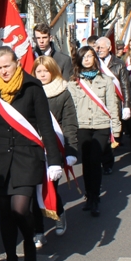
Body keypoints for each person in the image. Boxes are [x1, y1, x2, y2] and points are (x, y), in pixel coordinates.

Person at [0, 46, 63, 261]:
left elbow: (46, 125)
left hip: (27, 157)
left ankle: (29, 241)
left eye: (7, 66)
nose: (3, 71)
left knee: (20, 209)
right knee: (5, 213)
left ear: (17, 63)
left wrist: (54, 161)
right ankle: (11, 259)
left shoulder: (32, 87)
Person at [67, 46, 121, 216]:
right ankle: (89, 195)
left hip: (101, 125)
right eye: (85, 57)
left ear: (95, 59)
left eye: (91, 56)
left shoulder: (106, 80)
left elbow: (113, 105)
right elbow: (71, 109)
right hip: (82, 126)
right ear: (80, 60)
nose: (88, 59)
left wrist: (117, 128)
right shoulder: (73, 82)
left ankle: (95, 197)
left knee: (96, 161)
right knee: (87, 163)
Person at [32, 55, 77, 242]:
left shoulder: (64, 92)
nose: (42, 75)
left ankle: (58, 214)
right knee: (33, 191)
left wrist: (71, 150)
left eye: (46, 71)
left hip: (54, 148)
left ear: (53, 71)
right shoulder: (29, 91)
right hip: (33, 148)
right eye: (38, 71)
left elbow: (69, 123)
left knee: (50, 187)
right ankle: (38, 231)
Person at [94, 36, 129, 173]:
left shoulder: (119, 64)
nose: (99, 50)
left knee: (110, 136)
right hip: (98, 103)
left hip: (113, 103)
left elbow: (125, 86)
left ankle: (107, 163)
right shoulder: (93, 62)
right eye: (97, 47)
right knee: (100, 134)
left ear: (109, 48)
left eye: (102, 47)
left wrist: (126, 105)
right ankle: (100, 160)